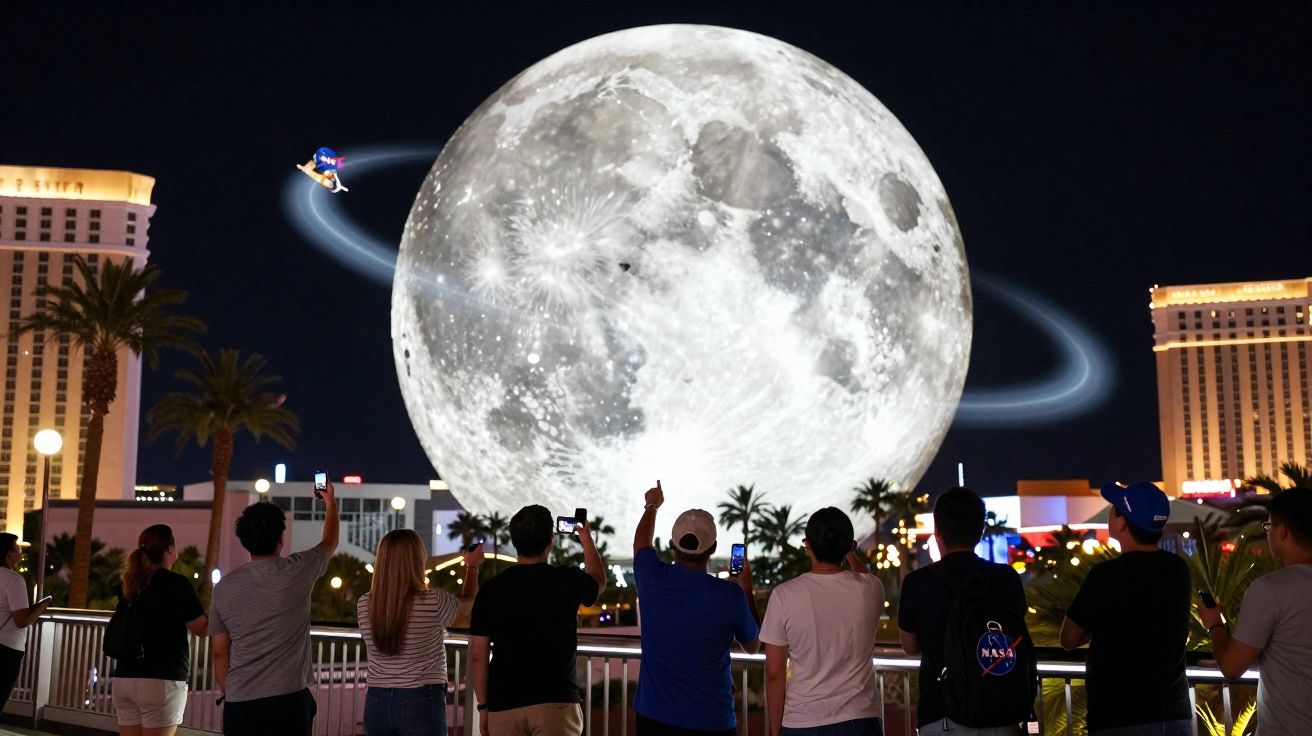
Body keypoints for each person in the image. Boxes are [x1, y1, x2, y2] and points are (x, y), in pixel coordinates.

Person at [1059, 481, 1190, 735]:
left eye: (1113, 508)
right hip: (1173, 714)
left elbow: (1068, 638)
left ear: (1121, 523)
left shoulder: (1104, 575)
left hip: (1118, 716)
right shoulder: (1177, 570)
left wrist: (1095, 629)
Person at [632, 480, 761, 736]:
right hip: (711, 719)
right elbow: (753, 645)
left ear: (672, 543)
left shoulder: (651, 577)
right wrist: (746, 588)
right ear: (712, 548)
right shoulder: (730, 596)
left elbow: (641, 543)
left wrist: (652, 505)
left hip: (652, 717)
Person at [210, 480, 339, 736]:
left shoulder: (224, 587)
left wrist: (229, 689)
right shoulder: (300, 569)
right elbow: (330, 542)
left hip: (240, 701)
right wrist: (330, 502)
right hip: (287, 699)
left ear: (244, 540)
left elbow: (219, 652)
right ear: (282, 537)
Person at [898, 487, 1028, 736]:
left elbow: (910, 646)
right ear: (980, 531)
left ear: (937, 531)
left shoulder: (918, 582)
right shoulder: (1006, 578)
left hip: (943, 715)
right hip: (1002, 713)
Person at [470, 504, 606, 736]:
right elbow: (598, 582)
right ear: (550, 541)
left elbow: (477, 656)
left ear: (514, 542)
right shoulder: (566, 579)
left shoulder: (492, 589)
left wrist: (483, 707)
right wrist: (585, 538)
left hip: (505, 704)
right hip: (556, 702)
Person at [761, 507, 885, 736]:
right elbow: (865, 575)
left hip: (803, 721)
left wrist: (774, 731)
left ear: (807, 545)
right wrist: (849, 552)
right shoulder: (871, 589)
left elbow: (775, 672)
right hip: (860, 720)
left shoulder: (784, 595)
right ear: (849, 545)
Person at [1201, 487, 1312, 736]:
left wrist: (1215, 625)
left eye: (1268, 525)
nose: (1268, 531)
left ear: (1282, 530)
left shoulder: (1271, 589)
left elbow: (1231, 666)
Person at [358, 529, 483, 736]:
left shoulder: (365, 604)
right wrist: (472, 567)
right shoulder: (433, 601)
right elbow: (468, 602)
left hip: (376, 700)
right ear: (417, 560)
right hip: (421, 700)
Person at [110, 525, 208, 736]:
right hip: (161, 680)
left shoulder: (130, 583)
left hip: (124, 678)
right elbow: (201, 627)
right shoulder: (177, 583)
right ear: (170, 550)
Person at [0, 533, 50, 710]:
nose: (20, 553)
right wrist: (41, 608)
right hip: (6, 649)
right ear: (8, 554)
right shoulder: (13, 580)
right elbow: (21, 620)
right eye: (17, 549)